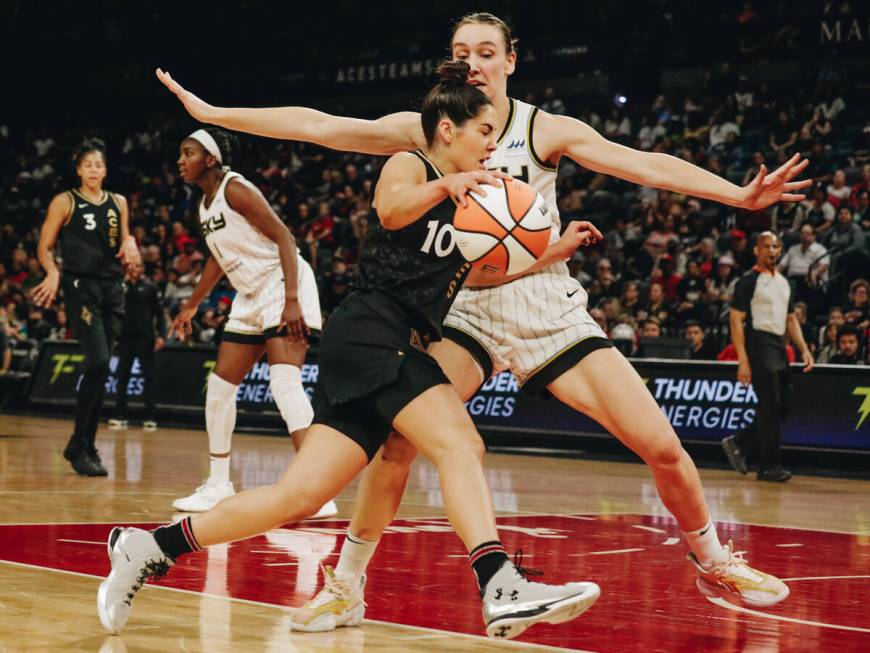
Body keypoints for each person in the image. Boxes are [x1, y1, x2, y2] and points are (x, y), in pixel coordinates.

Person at [157, 11, 810, 627]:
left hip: (542, 301)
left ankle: (711, 556)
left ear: (510, 62)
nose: (472, 63)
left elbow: (639, 163)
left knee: (662, 445)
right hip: (460, 307)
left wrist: (736, 194)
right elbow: (321, 125)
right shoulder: (431, 129)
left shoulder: (542, 128)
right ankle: (346, 582)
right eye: (461, 53)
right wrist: (215, 114)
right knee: (399, 442)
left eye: (486, 53)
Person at [98, 64, 601, 641]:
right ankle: (499, 584)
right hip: (369, 335)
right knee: (460, 442)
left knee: (300, 496)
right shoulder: (411, 165)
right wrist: (443, 186)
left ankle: (149, 547)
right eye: (484, 132)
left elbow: (481, 275)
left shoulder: (475, 204)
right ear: (447, 130)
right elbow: (390, 209)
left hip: (377, 348)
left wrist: (551, 249)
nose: (494, 144)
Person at [164, 127, 336, 518]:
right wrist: (192, 304)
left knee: (285, 384)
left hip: (281, 281)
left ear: (210, 158)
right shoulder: (204, 205)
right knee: (220, 388)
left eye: (187, 152)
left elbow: (285, 238)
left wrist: (292, 299)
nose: (180, 160)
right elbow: (217, 258)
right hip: (250, 293)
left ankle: (318, 489)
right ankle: (219, 484)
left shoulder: (235, 189)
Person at [32, 138, 140, 476]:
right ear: (78, 169)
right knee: (98, 360)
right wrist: (52, 272)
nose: (94, 170)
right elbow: (44, 246)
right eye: (88, 165)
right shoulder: (65, 202)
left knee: (100, 369)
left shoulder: (119, 202)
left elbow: (124, 237)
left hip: (113, 289)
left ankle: (83, 445)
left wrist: (130, 242)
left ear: (105, 170)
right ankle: (81, 443)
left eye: (99, 165)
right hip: (81, 287)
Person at [722, 232, 814, 483]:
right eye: (767, 247)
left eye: (776, 247)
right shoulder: (748, 281)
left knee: (783, 405)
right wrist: (743, 359)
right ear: (756, 250)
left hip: (778, 344)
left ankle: (739, 442)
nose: (772, 251)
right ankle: (769, 466)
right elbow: (736, 319)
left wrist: (804, 348)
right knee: (770, 405)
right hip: (758, 341)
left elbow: (791, 318)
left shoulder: (784, 282)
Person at [109, 262, 165, 430]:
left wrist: (161, 335)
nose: (135, 269)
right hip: (125, 338)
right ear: (127, 268)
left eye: (139, 266)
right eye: (133, 266)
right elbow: (112, 309)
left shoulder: (150, 288)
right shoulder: (120, 286)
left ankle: (150, 417)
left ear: (142, 270)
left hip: (145, 338)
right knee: (122, 377)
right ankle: (120, 416)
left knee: (148, 376)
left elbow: (159, 314)